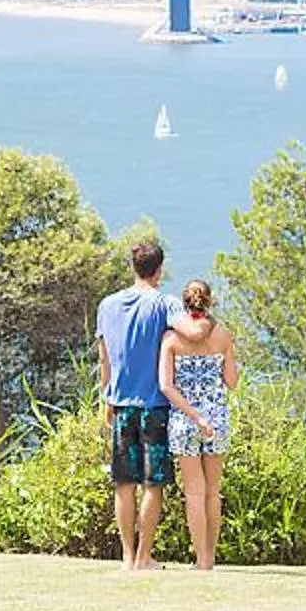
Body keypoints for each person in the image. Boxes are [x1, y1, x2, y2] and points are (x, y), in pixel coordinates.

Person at [94, 237, 176, 573]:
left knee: (123, 484)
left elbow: (104, 359)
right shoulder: (165, 304)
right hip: (155, 404)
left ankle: (127, 557)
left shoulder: (107, 305)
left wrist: (106, 400)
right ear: (159, 269)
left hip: (120, 402)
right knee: (153, 484)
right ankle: (144, 557)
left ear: (133, 267)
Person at [159, 280, 240, 571]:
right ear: (210, 302)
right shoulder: (223, 336)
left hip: (184, 419)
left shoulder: (171, 339)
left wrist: (193, 415)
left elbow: (166, 386)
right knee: (212, 491)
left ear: (185, 303)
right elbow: (232, 382)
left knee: (193, 492)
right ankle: (210, 558)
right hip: (216, 419)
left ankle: (199, 560)